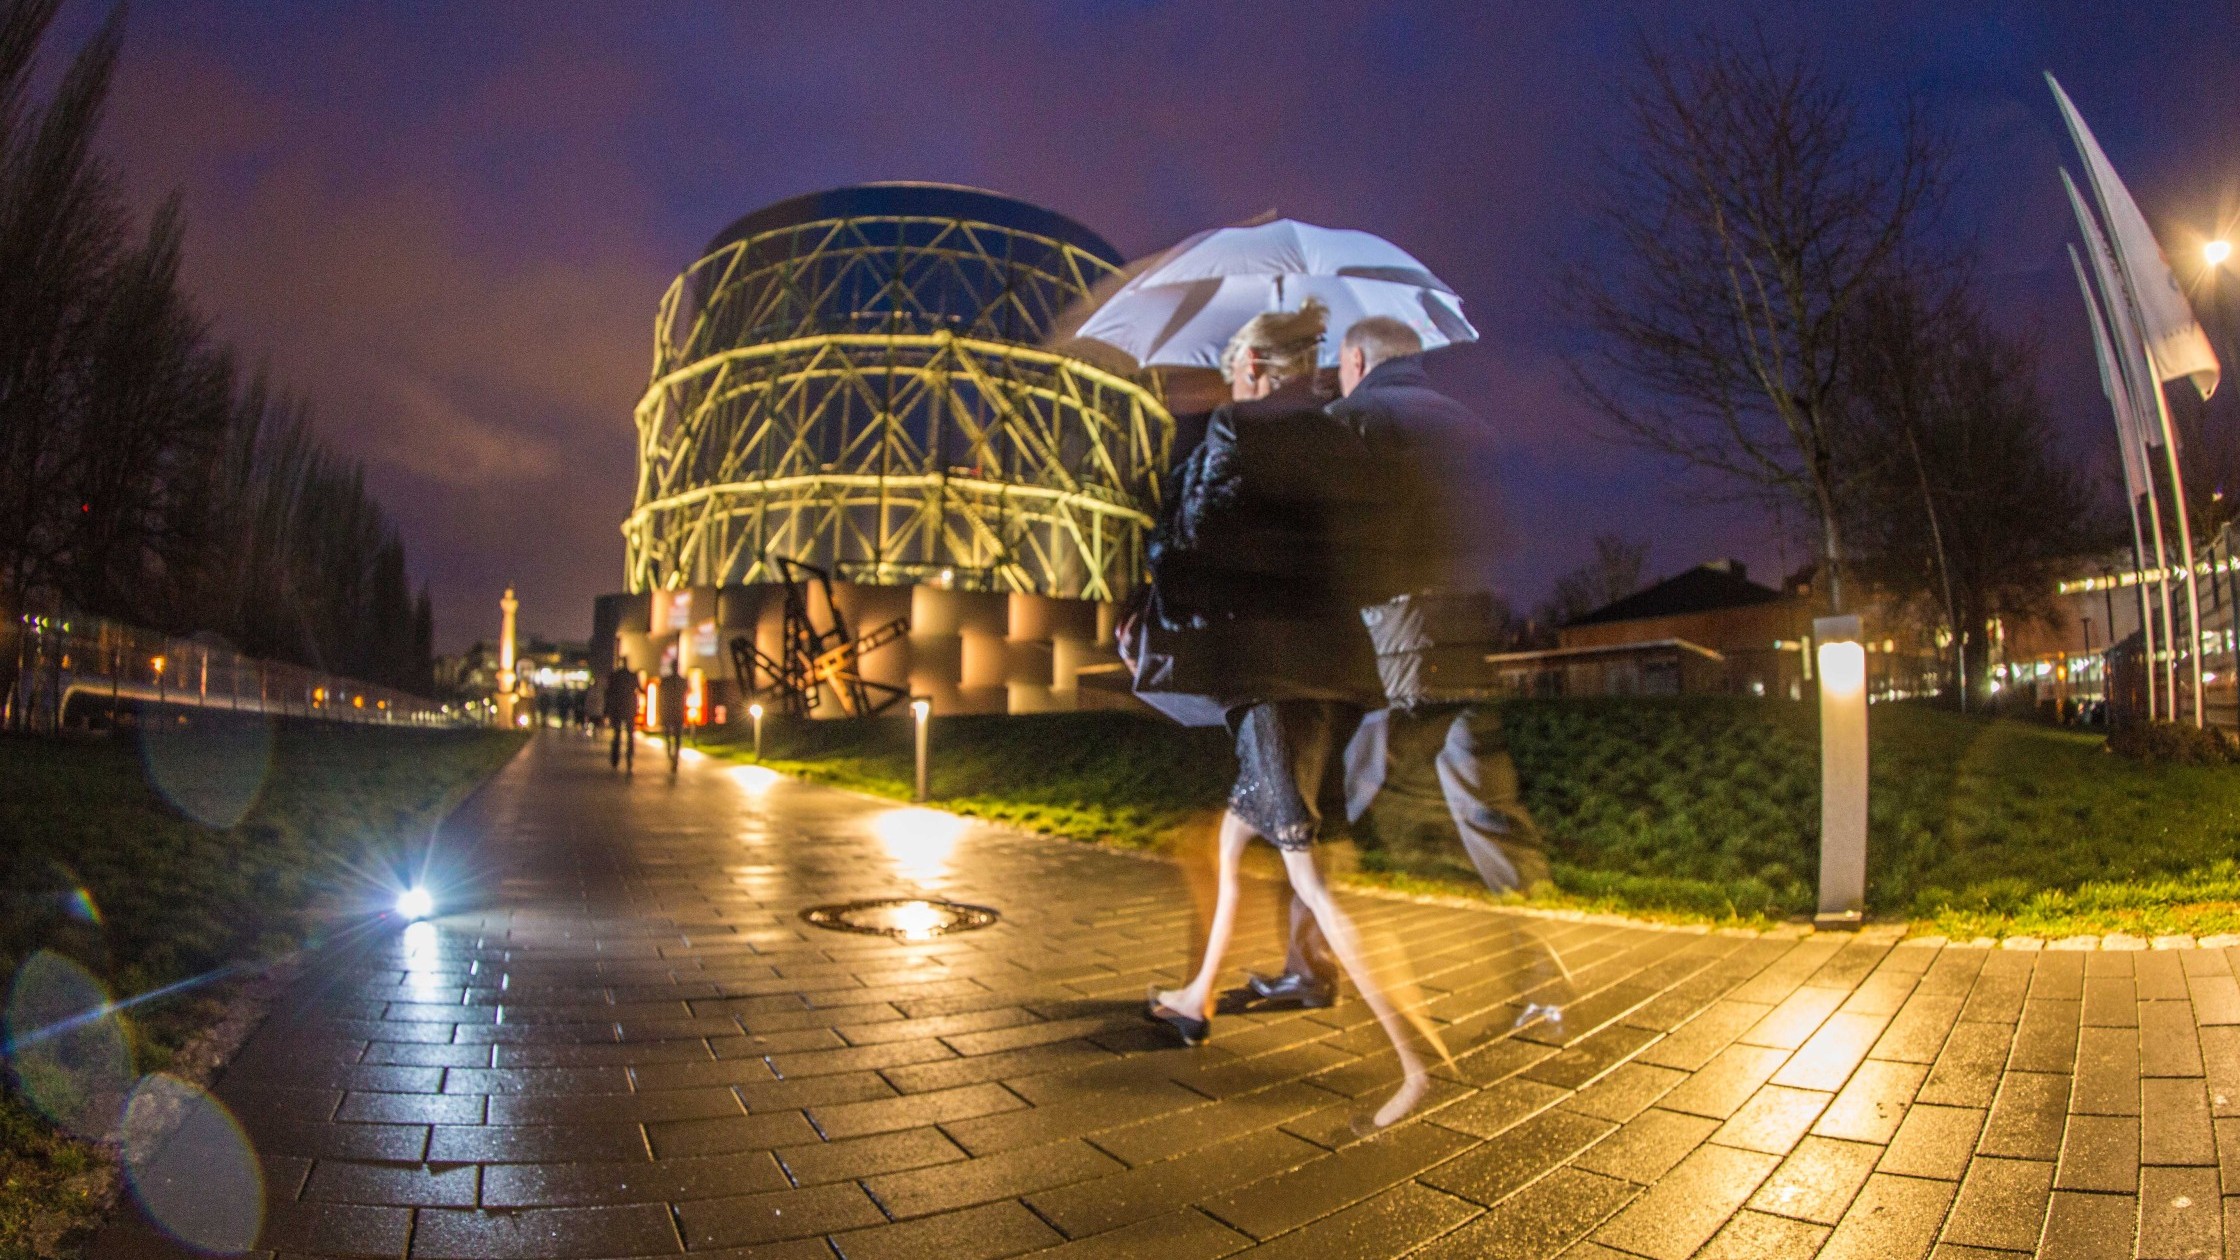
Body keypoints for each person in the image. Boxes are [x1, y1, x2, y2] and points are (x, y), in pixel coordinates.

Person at [1134, 299, 1433, 1130]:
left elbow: (1197, 541)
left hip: (1269, 673)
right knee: (1234, 837)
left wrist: (1161, 538)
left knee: (1307, 870)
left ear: (1258, 370)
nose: (1231, 384)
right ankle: (1195, 998)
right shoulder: (1344, 436)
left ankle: (1415, 1061)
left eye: (1237, 371)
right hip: (1337, 669)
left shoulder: (1238, 430)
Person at [1243, 317, 1550, 1011]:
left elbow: (1326, 538)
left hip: (1389, 651)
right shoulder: (1464, 423)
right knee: (1488, 809)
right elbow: (1497, 534)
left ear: (1355, 358)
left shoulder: (1353, 420)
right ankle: (1540, 971)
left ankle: (1308, 965)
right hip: (1468, 642)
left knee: (1318, 809)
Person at [603, 665, 639, 772]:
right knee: (630, 735)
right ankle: (629, 757)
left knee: (617, 734)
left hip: (617, 709)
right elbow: (639, 689)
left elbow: (608, 693)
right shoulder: (632, 676)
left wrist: (607, 710)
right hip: (629, 709)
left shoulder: (614, 677)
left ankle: (615, 757)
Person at [656, 660, 688, 776]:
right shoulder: (682, 681)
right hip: (676, 712)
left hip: (671, 712)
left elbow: (661, 697)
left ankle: (672, 756)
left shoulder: (667, 681)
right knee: (675, 737)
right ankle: (673, 756)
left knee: (671, 736)